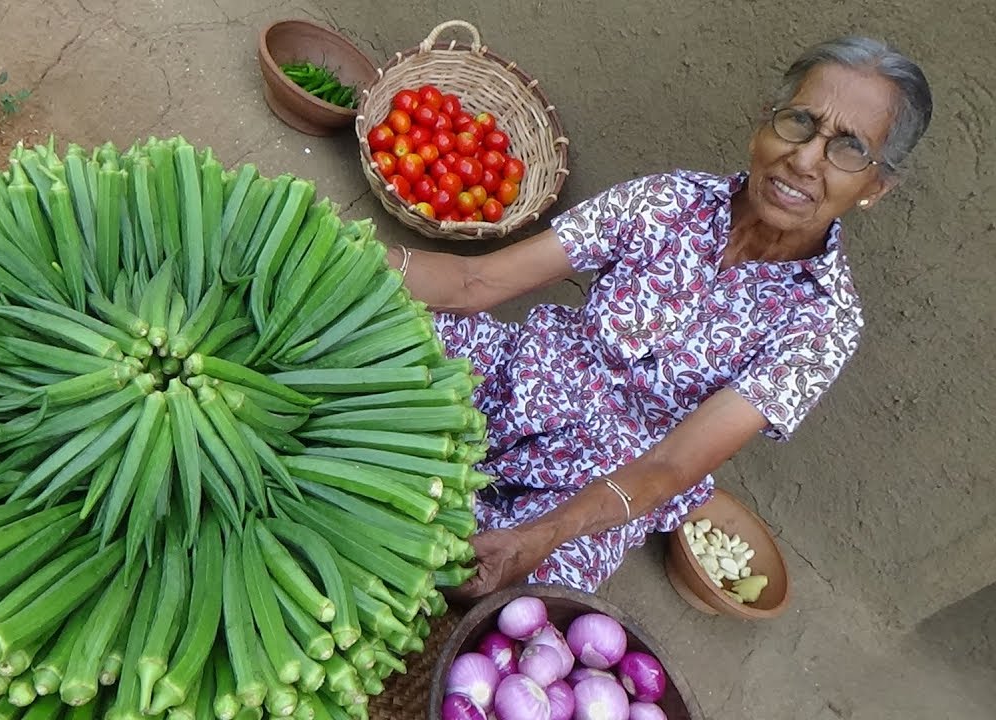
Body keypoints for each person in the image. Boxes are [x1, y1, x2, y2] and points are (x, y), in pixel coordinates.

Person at [384, 36, 932, 598]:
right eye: (799, 122)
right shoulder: (668, 200)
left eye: (848, 149)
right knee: (374, 350)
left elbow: (670, 467)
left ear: (876, 187)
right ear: (763, 125)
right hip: (521, 373)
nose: (805, 158)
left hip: (603, 484)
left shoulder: (825, 323)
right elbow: (478, 282)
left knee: (516, 595)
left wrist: (542, 535)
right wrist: (339, 251)